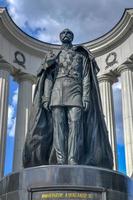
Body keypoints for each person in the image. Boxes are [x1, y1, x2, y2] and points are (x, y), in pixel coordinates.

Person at [23, 29, 113, 169]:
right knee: (58, 128)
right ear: (60, 38)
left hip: (75, 92)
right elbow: (48, 78)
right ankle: (60, 160)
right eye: (63, 34)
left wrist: (86, 97)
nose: (66, 35)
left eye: (69, 33)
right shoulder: (54, 56)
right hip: (57, 94)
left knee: (75, 126)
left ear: (72, 37)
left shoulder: (81, 57)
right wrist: (46, 97)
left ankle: (73, 159)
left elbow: (85, 78)